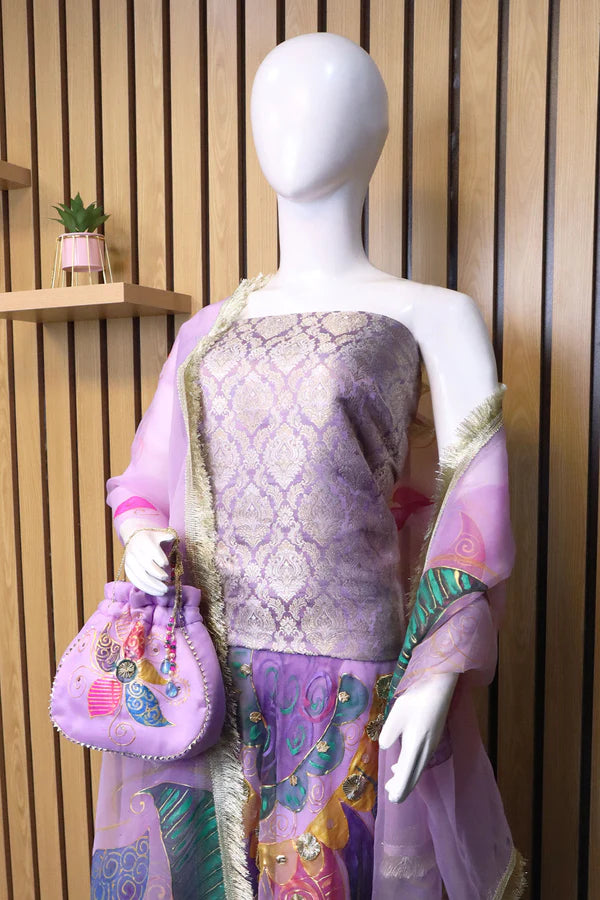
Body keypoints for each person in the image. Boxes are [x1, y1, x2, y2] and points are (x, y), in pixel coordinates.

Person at [91, 32, 525, 899]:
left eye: (322, 99)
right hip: (209, 679)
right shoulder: (208, 329)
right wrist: (141, 536)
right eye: (274, 102)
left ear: (374, 130)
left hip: (352, 688)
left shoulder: (434, 314)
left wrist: (438, 672)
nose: (292, 121)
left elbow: (473, 517)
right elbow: (145, 480)